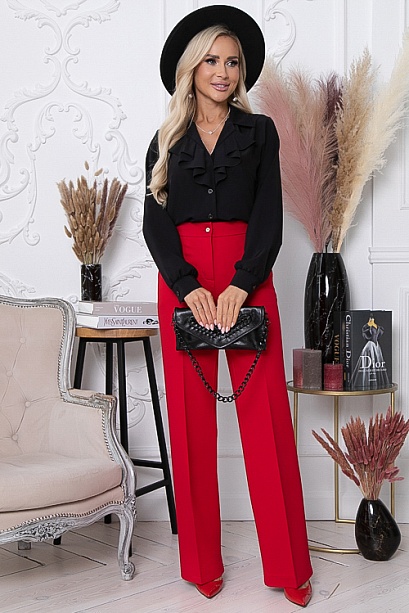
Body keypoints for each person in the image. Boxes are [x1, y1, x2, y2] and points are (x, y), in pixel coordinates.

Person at [143, 5, 313, 607]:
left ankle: (290, 567)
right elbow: (155, 223)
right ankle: (200, 563)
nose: (222, 72)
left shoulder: (259, 133)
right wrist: (186, 284)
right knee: (191, 426)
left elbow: (268, 214)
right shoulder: (165, 140)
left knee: (267, 421)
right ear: (191, 69)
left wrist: (244, 281)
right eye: (211, 60)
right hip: (183, 281)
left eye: (233, 62)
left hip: (249, 276)